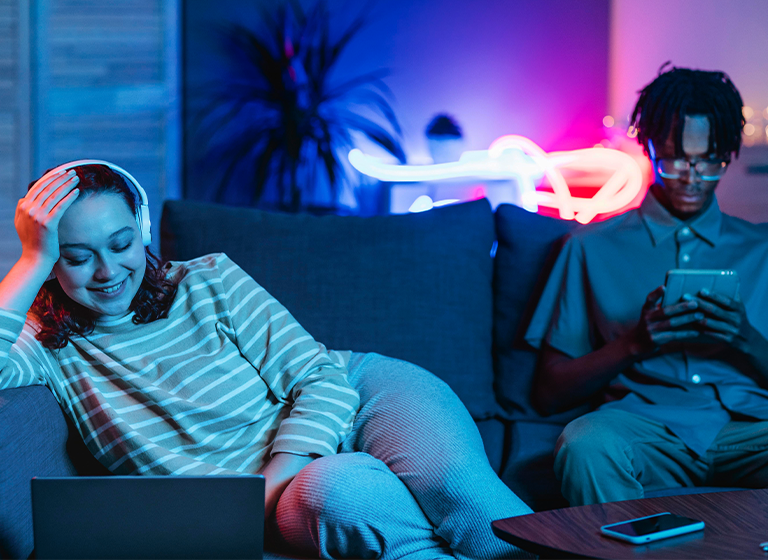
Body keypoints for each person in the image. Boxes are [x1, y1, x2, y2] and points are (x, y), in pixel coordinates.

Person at [0, 162, 533, 560]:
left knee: (461, 492)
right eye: (75, 256)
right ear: (52, 263)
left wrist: (265, 490)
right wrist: (30, 258)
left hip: (361, 393)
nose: (107, 271)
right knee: (348, 493)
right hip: (288, 490)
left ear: (140, 232)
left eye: (120, 244)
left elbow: (321, 376)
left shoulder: (207, 278)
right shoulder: (47, 347)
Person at [526, 65, 768, 506]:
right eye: (676, 157)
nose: (692, 175)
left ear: (728, 155)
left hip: (750, 430)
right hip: (644, 429)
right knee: (586, 444)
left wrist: (746, 339)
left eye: (708, 159)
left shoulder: (763, 249)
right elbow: (548, 393)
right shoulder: (590, 249)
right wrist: (635, 343)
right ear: (650, 146)